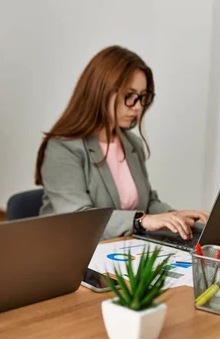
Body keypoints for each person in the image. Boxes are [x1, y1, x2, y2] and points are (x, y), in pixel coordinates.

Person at [35, 45, 208, 240]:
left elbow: (148, 203)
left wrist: (176, 217)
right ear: (101, 92)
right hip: (71, 254)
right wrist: (140, 221)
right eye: (129, 96)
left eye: (143, 97)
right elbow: (79, 219)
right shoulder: (63, 147)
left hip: (120, 250)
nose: (138, 107)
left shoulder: (132, 143)